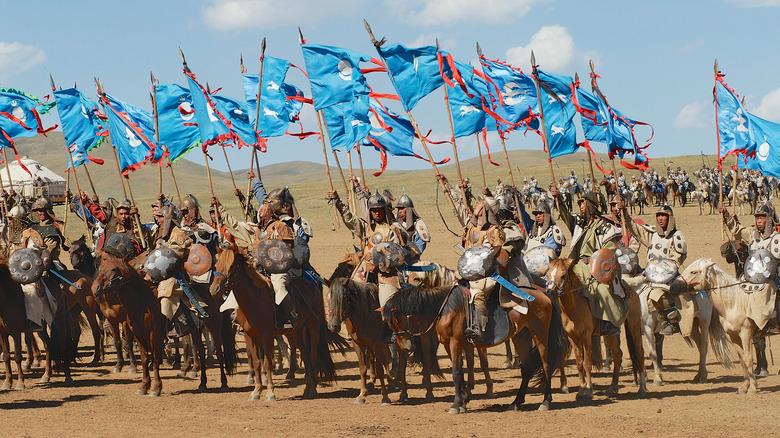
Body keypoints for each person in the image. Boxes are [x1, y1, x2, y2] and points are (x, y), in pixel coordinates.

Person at [552, 188, 628, 336]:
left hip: (596, 267)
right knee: (556, 284)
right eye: (579, 203)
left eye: (583, 203)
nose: (580, 206)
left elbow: (609, 253)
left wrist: (598, 269)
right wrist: (559, 200)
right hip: (576, 265)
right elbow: (565, 215)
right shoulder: (579, 224)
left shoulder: (605, 226)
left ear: (591, 205)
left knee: (603, 291)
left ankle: (607, 323)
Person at [328, 187, 407, 310]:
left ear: (384, 210)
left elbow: (397, 255)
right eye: (374, 210)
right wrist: (338, 202)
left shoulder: (392, 229)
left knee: (387, 305)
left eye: (379, 209)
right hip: (364, 269)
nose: (377, 213)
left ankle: (391, 327)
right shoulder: (367, 228)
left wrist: (376, 258)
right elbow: (351, 219)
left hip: (385, 274)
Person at [619, 202, 688, 336]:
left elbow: (675, 261)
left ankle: (673, 321)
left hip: (669, 276)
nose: (660, 218)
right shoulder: (653, 235)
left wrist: (661, 272)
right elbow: (635, 228)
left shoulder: (677, 237)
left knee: (659, 295)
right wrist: (625, 213)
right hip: (650, 273)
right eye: (659, 216)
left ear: (670, 218)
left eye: (664, 216)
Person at [720, 202, 780, 334]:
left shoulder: (776, 238)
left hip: (771, 277)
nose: (758, 221)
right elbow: (737, 229)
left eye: (762, 218)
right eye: (757, 218)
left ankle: (769, 322)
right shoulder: (752, 234)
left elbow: (773, 261)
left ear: (769, 220)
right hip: (753, 275)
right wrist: (726, 214)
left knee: (764, 289)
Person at [395, 189, 430, 265]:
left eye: (402, 208)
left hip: (411, 262)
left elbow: (418, 250)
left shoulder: (418, 226)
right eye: (399, 209)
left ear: (409, 210)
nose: (399, 211)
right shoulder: (395, 224)